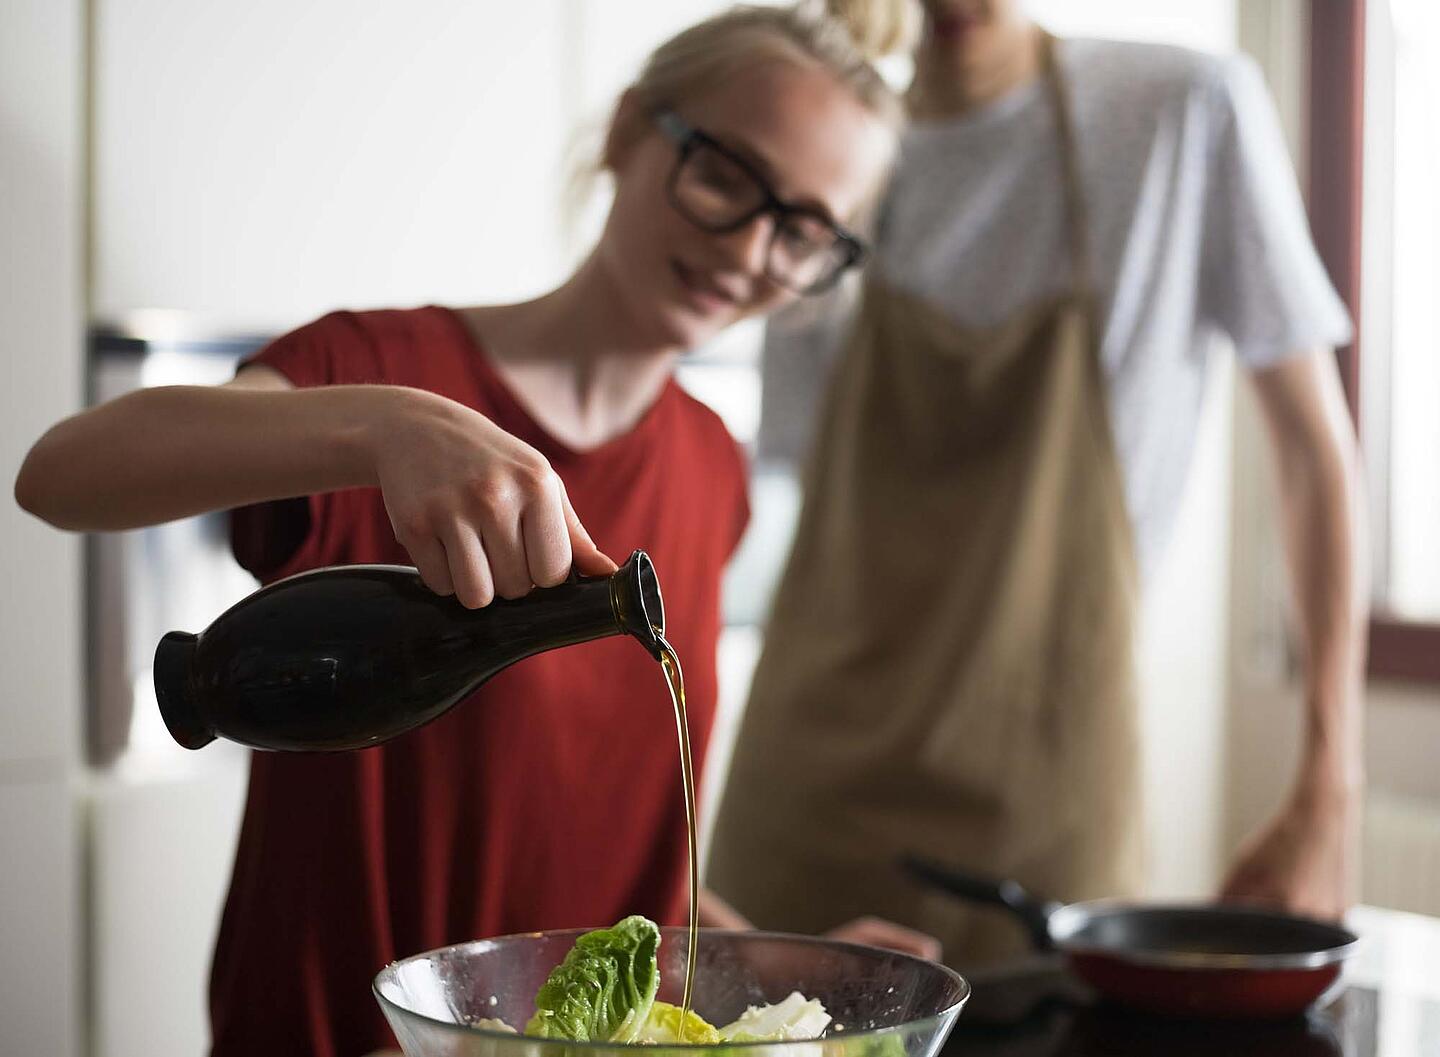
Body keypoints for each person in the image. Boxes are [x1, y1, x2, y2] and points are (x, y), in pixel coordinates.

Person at [14, 5, 922, 1052]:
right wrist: (382, 421)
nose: (752, 250)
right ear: (631, 131)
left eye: (805, 231)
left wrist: (769, 966)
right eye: (726, 177)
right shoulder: (381, 374)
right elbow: (60, 475)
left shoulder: (712, 467)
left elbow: (610, 857)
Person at [707, 0, 1366, 967]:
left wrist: (1329, 777)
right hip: (806, 797)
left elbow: (1312, 453)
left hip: (1044, 790)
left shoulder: (1179, 113)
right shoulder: (832, 156)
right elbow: (784, 487)